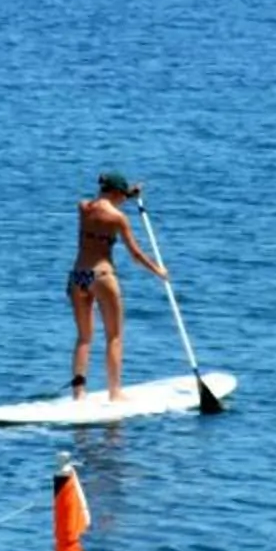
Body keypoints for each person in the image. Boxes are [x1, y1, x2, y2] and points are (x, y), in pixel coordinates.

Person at [69, 171, 166, 399]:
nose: (124, 198)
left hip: (78, 276)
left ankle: (79, 393)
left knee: (84, 337)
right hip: (102, 276)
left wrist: (128, 194)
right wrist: (158, 270)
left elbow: (102, 202)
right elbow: (135, 254)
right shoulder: (118, 219)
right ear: (115, 193)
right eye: (122, 195)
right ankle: (115, 393)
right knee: (114, 337)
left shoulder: (83, 207)